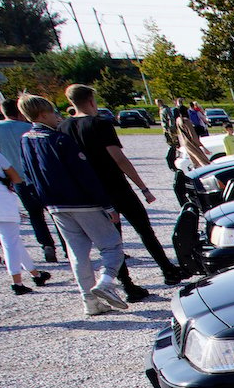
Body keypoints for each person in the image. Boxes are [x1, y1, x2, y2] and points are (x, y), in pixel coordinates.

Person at [66, 84, 182, 294]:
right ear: (91, 100)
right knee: (144, 230)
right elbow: (119, 158)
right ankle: (168, 270)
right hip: (116, 186)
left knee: (112, 241)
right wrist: (143, 187)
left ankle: (126, 284)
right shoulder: (99, 124)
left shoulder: (63, 127)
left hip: (92, 193)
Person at [17, 93, 127, 317]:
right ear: (43, 114)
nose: (56, 117)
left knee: (77, 253)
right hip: (82, 201)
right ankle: (106, 282)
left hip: (55, 204)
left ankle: (89, 301)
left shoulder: (26, 140)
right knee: (111, 245)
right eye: (52, 112)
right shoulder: (59, 140)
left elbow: (28, 174)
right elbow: (84, 174)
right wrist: (106, 204)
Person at [0, 121, 51, 296]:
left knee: (11, 239)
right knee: (9, 240)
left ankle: (36, 274)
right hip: (0, 199)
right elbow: (16, 178)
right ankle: (17, 282)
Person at [0, 99, 58, 262]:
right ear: (20, 112)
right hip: (39, 176)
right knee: (54, 211)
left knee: (35, 215)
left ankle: (47, 245)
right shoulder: (29, 127)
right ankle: (67, 246)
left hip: (16, 177)